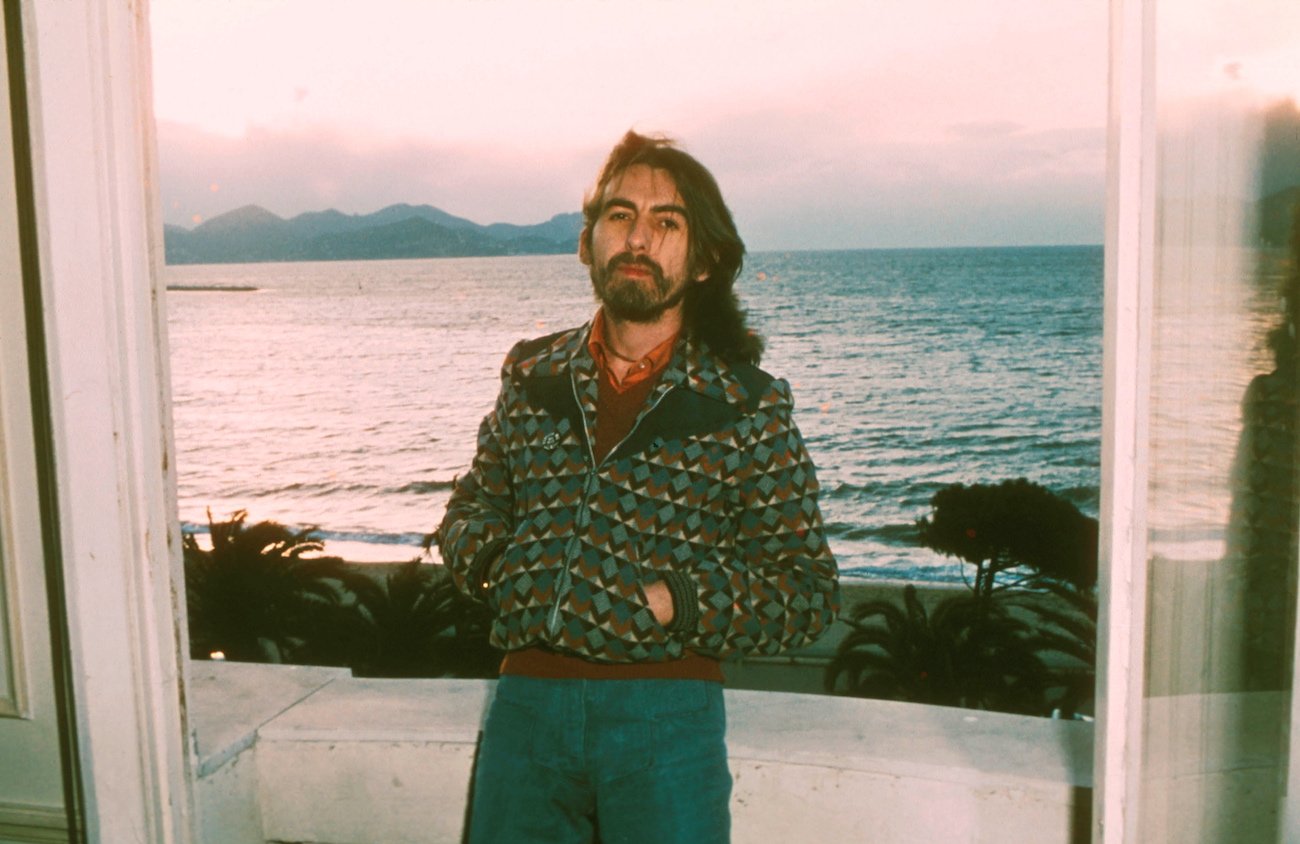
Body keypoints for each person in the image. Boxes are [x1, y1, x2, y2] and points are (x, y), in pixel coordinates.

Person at [439, 129, 840, 843]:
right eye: (619, 215)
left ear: (704, 260)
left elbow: (806, 591)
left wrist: (672, 601)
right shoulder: (533, 375)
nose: (638, 237)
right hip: (525, 711)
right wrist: (503, 568)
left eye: (667, 222)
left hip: (667, 721)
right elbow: (472, 507)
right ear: (586, 242)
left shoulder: (744, 404)